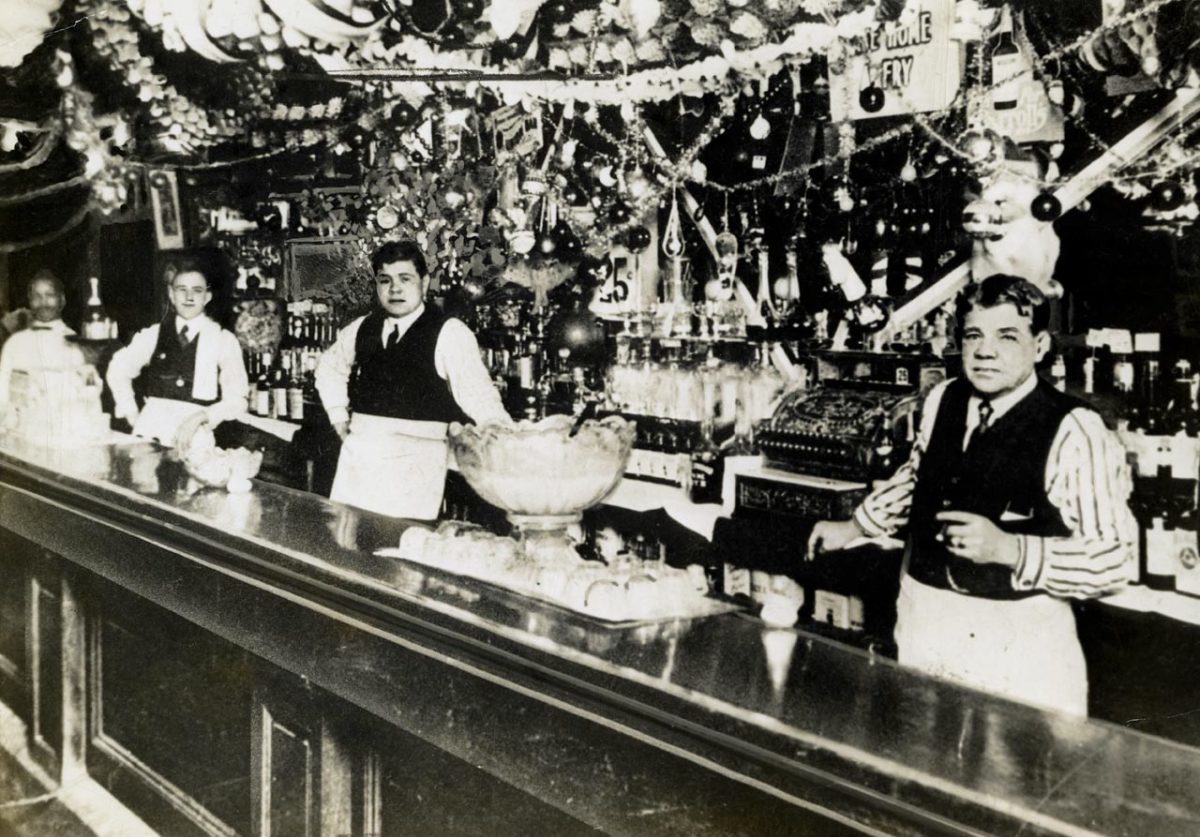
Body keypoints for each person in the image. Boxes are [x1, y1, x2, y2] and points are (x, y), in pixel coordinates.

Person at [806, 274, 1137, 716]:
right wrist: (856, 525)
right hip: (927, 623)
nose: (985, 351)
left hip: (1017, 645)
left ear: (1039, 347)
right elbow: (916, 477)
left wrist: (1012, 549)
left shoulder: (1077, 429)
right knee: (924, 771)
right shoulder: (942, 398)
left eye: (1007, 336)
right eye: (974, 335)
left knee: (1014, 782)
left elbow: (1115, 560)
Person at [315, 240, 510, 520]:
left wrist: (503, 437)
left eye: (405, 279)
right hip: (360, 458)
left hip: (416, 464)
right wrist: (337, 414)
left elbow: (478, 394)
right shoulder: (362, 328)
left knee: (401, 548)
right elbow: (329, 368)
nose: (395, 289)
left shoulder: (449, 332)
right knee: (348, 549)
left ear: (424, 281)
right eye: (386, 280)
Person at [107, 258, 249, 437]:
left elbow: (238, 399)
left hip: (195, 433)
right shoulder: (153, 334)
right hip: (152, 430)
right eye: (182, 290)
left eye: (197, 291)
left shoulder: (223, 340)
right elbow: (118, 369)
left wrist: (203, 416)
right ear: (171, 294)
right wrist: (131, 413)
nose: (189, 297)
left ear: (207, 297)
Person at [0, 270, 90, 419]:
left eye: (50, 295)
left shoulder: (77, 343)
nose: (43, 303)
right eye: (37, 297)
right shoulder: (14, 344)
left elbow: (87, 395)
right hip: (23, 428)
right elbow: (2, 394)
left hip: (67, 427)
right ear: (30, 302)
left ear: (62, 300)